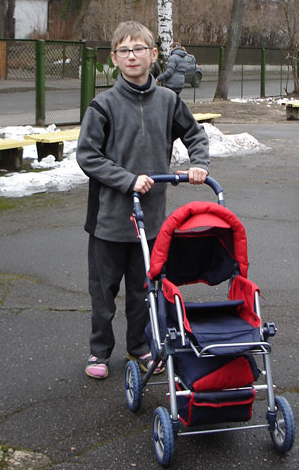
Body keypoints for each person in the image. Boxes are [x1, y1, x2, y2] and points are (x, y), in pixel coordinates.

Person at [76, 21, 210, 379]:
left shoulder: (168, 101)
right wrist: (127, 180)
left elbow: (196, 136)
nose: (132, 56)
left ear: (153, 55)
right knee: (103, 294)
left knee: (142, 291)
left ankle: (138, 347)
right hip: (108, 221)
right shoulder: (102, 105)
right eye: (124, 50)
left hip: (150, 221)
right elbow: (87, 156)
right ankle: (99, 352)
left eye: (139, 49)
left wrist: (198, 164)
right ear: (114, 59)